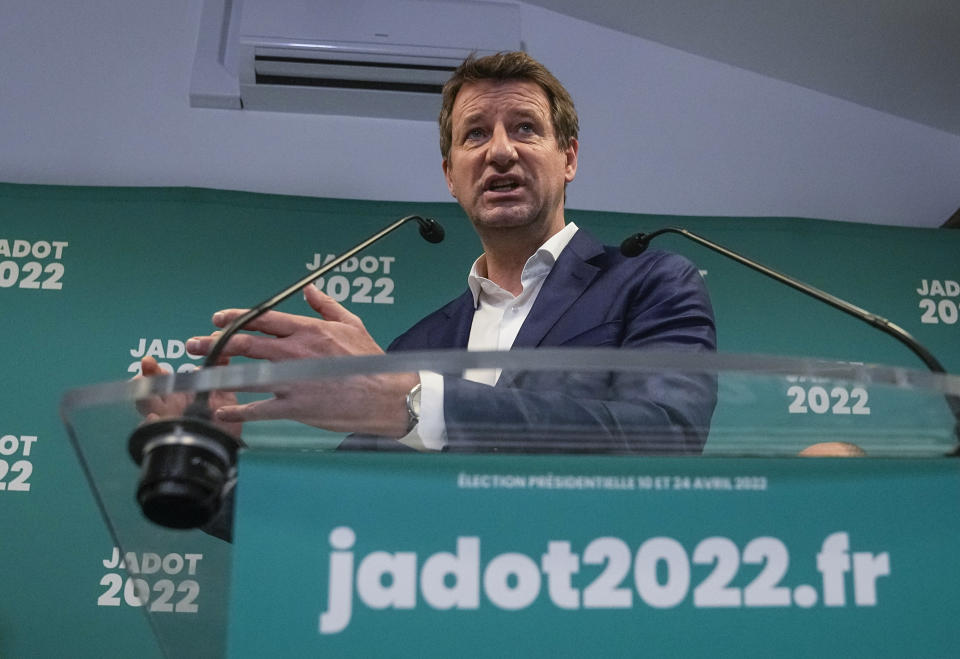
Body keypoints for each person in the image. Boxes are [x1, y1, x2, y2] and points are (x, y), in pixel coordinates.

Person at [152, 52, 717, 454]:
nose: (500, 151)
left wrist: (419, 399)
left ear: (568, 158)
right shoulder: (418, 346)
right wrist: (220, 464)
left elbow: (664, 436)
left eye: (525, 128)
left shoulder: (652, 283)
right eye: (474, 135)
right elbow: (348, 510)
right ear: (451, 175)